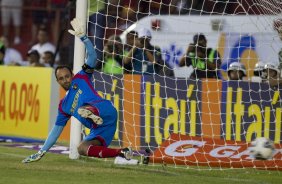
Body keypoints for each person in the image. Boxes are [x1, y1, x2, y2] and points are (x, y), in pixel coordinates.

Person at [22, 18, 132, 163]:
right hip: (101, 128)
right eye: (61, 78)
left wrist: (84, 38)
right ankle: (122, 152)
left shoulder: (82, 77)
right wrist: (42, 151)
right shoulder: (64, 106)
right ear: (58, 81)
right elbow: (56, 131)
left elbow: (93, 57)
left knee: (82, 108)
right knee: (81, 147)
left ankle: (90, 111)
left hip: (106, 110)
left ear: (72, 75)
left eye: (67, 76)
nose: (65, 80)